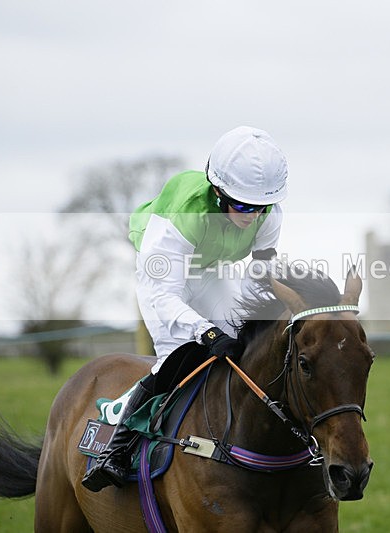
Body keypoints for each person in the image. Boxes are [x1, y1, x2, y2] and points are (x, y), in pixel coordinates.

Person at [82, 126, 287, 491]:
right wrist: (205, 331)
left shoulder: (269, 215)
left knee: (243, 345)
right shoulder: (186, 210)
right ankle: (117, 447)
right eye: (242, 205)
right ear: (218, 191)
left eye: (260, 207)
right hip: (163, 271)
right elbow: (164, 295)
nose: (252, 216)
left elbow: (258, 280)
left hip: (211, 269)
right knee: (179, 359)